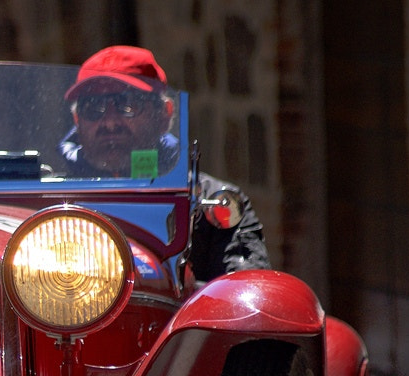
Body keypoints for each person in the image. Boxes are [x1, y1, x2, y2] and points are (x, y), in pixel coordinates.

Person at [60, 46, 270, 280]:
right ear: (77, 120)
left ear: (164, 114)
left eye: (127, 104)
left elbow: (244, 292)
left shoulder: (214, 202)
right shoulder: (49, 201)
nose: (109, 122)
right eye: (93, 108)